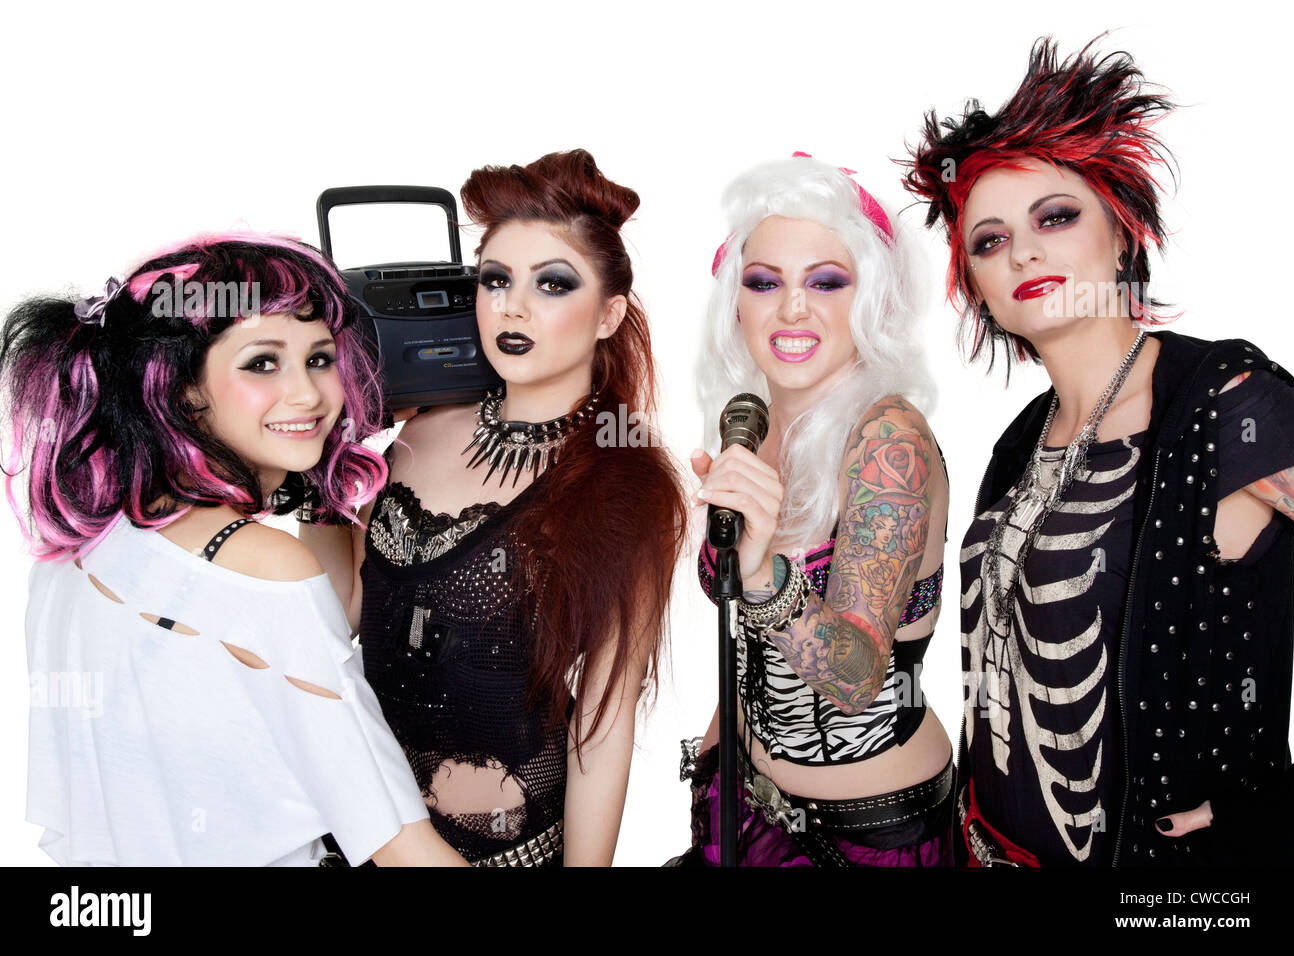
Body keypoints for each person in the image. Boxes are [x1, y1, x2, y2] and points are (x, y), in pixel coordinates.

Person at [903, 36, 1294, 866]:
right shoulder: (1021, 441)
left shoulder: (1231, 401)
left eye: (1055, 216)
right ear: (974, 284)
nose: (1023, 251)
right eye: (988, 240)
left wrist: (1279, 809)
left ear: (1120, 232)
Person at [3, 233, 465, 866]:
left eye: (322, 359)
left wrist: (331, 463)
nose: (308, 396)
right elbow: (401, 846)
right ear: (183, 388)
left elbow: (300, 638)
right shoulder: (264, 569)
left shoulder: (82, 546)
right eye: (262, 363)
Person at [299, 149, 687, 866]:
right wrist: (332, 458)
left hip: (506, 854)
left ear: (609, 314)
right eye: (496, 280)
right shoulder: (414, 432)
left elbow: (602, 726)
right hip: (358, 838)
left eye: (553, 284)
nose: (512, 305)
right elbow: (339, 614)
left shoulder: (625, 485)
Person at [670, 153, 953, 866]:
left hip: (868, 837)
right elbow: (750, 646)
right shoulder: (756, 427)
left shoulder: (888, 441)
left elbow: (855, 678)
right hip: (745, 807)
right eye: (765, 282)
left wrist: (762, 568)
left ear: (872, 300)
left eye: (825, 282)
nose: (792, 307)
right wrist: (715, 780)